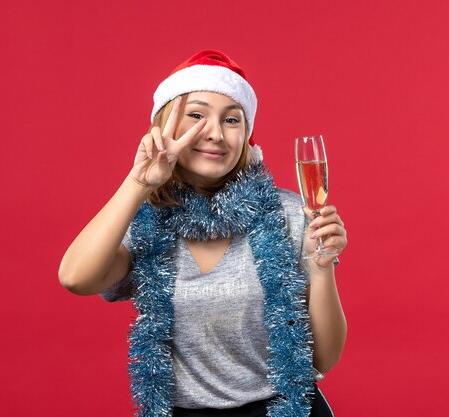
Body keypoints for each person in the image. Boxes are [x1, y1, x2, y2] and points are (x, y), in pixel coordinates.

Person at [59, 50, 347, 417]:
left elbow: (324, 357)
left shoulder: (289, 212)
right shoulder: (145, 221)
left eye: (232, 120)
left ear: (246, 136)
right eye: (196, 115)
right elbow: (75, 278)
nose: (214, 133)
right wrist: (139, 182)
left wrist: (321, 268)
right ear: (163, 127)